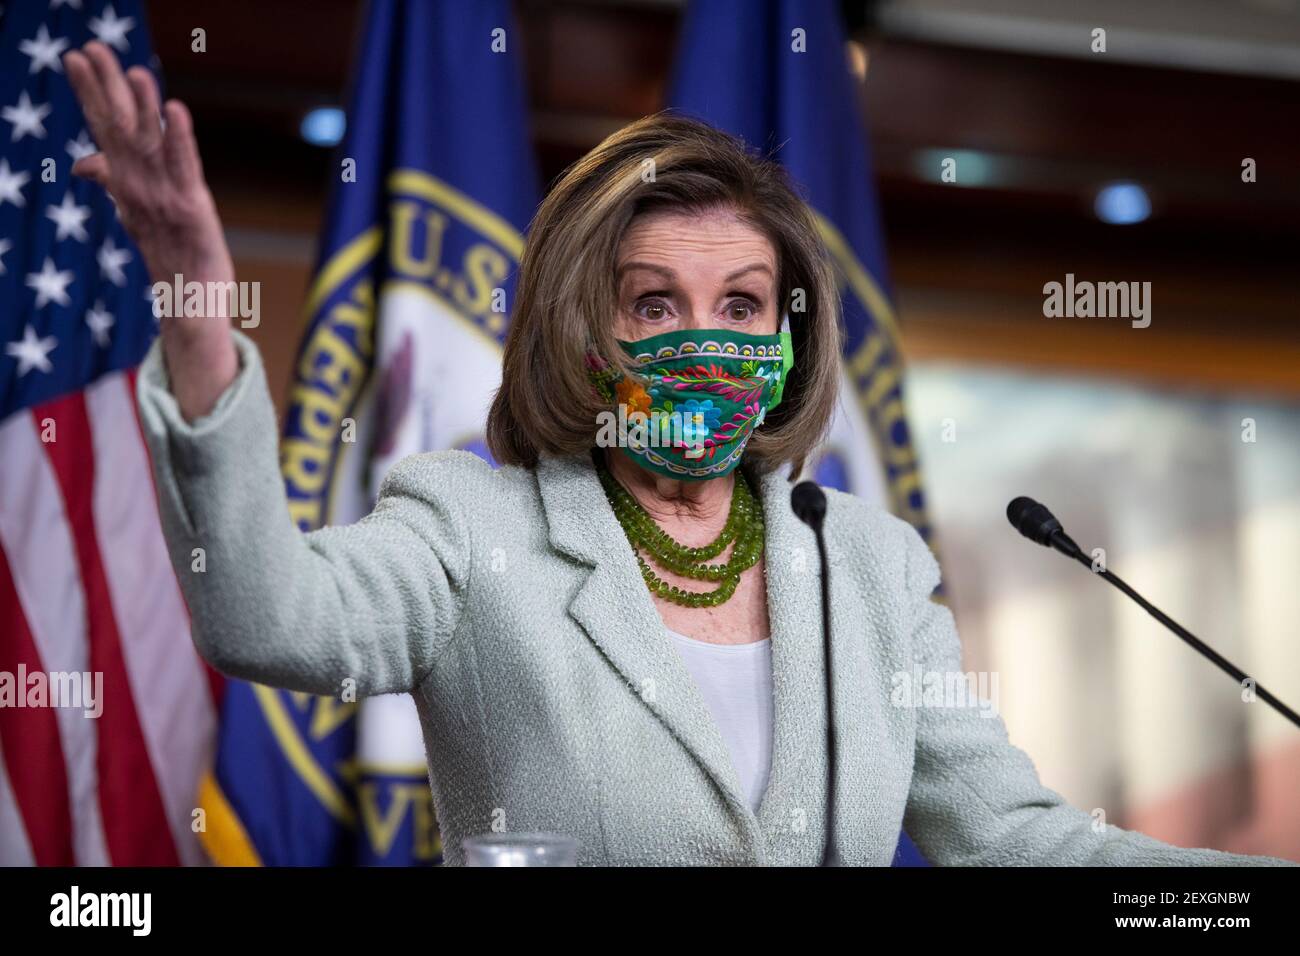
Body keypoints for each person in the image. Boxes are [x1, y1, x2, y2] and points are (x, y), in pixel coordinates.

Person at [63, 40, 1291, 866]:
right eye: (655, 304)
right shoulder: (469, 528)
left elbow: (1018, 837)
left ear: (789, 332)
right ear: (584, 329)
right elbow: (262, 614)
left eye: (744, 304)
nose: (706, 339)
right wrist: (194, 305)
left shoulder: (863, 561)